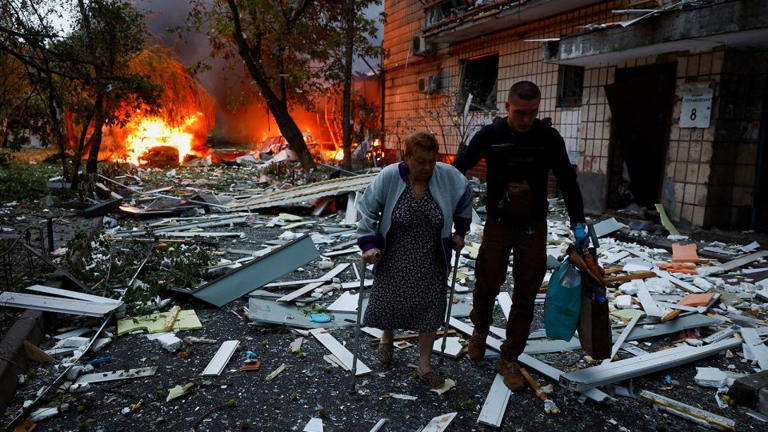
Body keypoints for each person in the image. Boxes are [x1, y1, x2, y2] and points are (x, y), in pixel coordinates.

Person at [453, 81, 587, 391]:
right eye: (520, 112)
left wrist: (578, 222)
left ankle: (509, 358)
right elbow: (459, 167)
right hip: (499, 223)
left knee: (525, 294)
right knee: (487, 282)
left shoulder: (547, 137)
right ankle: (479, 332)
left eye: (533, 112)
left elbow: (567, 180)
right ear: (507, 108)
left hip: (533, 226)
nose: (527, 119)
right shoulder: (491, 135)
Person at [356, 131, 473, 389]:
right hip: (395, 253)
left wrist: (460, 232)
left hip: (432, 256)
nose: (428, 167)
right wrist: (368, 244)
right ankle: (387, 338)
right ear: (406, 157)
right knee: (390, 303)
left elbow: (466, 196)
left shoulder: (447, 176)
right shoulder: (389, 176)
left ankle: (425, 365)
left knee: (430, 309)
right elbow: (366, 208)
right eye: (421, 161)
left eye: (432, 161)